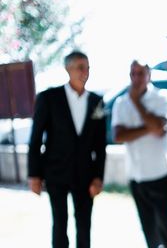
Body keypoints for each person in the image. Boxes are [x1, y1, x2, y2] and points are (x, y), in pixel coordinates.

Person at [27, 51, 106, 248]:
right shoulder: (49, 98)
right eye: (80, 67)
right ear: (68, 69)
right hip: (56, 173)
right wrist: (34, 175)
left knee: (84, 225)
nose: (85, 72)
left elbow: (100, 145)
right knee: (60, 224)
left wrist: (98, 177)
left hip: (85, 174)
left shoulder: (97, 102)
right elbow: (35, 139)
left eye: (87, 67)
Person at [111, 60, 167, 248]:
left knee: (166, 225)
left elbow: (159, 130)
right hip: (135, 175)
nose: (136, 78)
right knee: (148, 228)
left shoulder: (163, 97)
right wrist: (149, 126)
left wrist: (136, 103)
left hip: (161, 173)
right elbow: (118, 135)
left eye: (140, 73)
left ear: (149, 75)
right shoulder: (120, 102)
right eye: (132, 74)